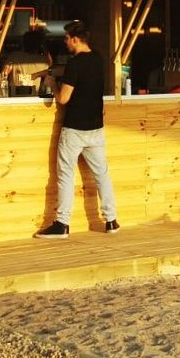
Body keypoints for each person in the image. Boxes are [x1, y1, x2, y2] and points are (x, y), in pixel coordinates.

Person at [35, 21, 119, 239]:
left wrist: (52, 82)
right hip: (96, 129)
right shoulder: (98, 60)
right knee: (102, 174)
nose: (65, 42)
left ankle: (62, 224)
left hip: (74, 130)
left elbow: (63, 98)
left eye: (66, 38)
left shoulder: (75, 63)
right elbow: (78, 74)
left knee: (65, 176)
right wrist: (51, 70)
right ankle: (111, 220)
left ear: (74, 39)